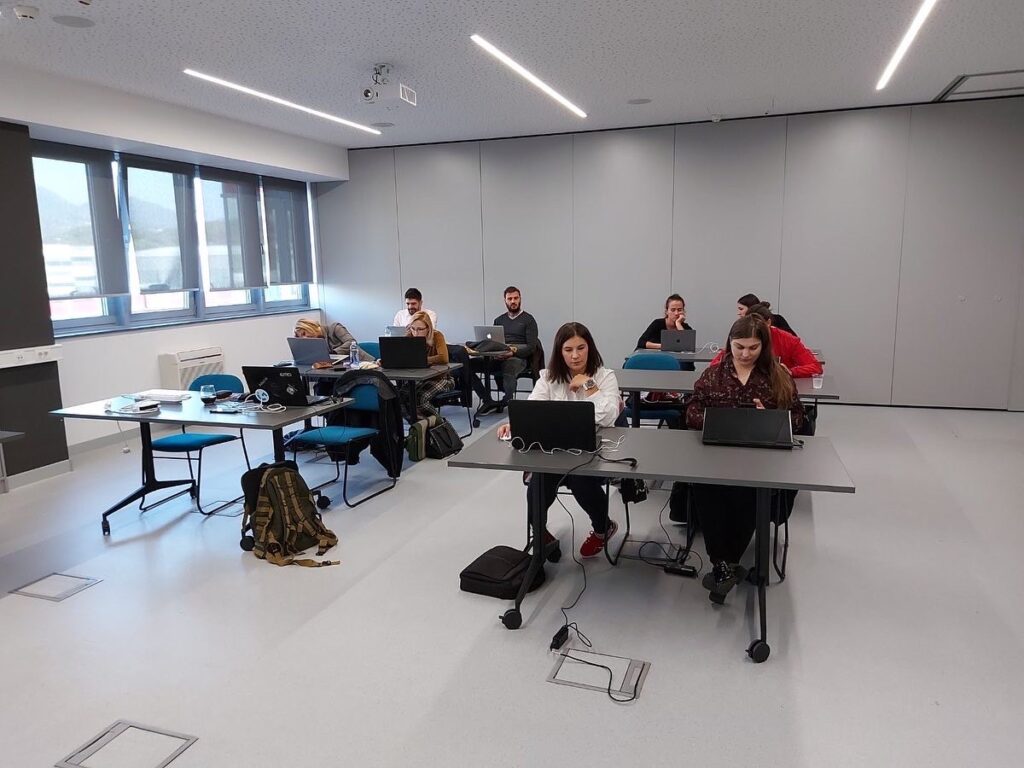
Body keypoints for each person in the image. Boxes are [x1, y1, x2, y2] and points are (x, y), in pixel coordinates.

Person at [686, 314, 804, 601]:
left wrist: (771, 419)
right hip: (717, 454)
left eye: (753, 347)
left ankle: (724, 566)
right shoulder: (713, 375)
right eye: (739, 347)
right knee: (705, 489)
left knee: (749, 493)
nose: (746, 354)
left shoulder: (778, 376)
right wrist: (715, 421)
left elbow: (798, 419)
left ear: (764, 346)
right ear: (730, 343)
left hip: (759, 458)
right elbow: (691, 412)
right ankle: (724, 564)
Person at [496, 322, 621, 559]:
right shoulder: (548, 377)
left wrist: (588, 384)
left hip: (590, 452)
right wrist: (516, 424)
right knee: (539, 481)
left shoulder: (605, 377)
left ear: (590, 348)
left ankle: (603, 528)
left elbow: (608, 416)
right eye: (568, 349)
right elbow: (532, 408)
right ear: (559, 351)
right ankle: (539, 532)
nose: (575, 356)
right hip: (554, 451)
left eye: (581, 348)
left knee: (579, 478)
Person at [474, 286, 540, 414]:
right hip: (498, 356)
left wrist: (512, 352)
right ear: (505, 300)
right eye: (510, 299)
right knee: (469, 365)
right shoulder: (499, 320)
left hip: (519, 358)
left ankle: (506, 401)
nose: (513, 301)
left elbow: (531, 347)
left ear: (520, 299)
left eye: (516, 298)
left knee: (509, 365)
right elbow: (494, 342)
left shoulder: (529, 320)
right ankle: (487, 400)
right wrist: (495, 353)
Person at [712, 302, 822, 377]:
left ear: (768, 322)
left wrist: (791, 371)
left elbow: (815, 366)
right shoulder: (742, 338)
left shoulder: (788, 340)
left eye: (753, 347)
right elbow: (714, 365)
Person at [403, 311, 452, 420]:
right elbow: (400, 355)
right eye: (413, 328)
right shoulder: (409, 336)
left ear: (428, 329)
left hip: (441, 378)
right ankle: (419, 425)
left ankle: (440, 425)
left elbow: (443, 358)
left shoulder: (437, 336)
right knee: (400, 398)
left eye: (420, 329)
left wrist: (421, 360)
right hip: (418, 379)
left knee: (420, 398)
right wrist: (386, 360)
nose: (416, 333)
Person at [294, 318, 374, 362]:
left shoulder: (335, 328)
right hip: (338, 369)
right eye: (301, 337)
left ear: (310, 326)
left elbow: (352, 342)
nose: (305, 338)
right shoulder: (314, 341)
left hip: (362, 364)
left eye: (304, 333)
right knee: (320, 385)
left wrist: (334, 353)